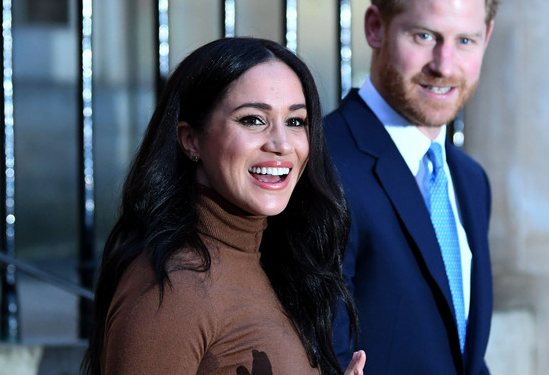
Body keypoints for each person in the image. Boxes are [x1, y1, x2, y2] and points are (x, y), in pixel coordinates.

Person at [82, 37, 366, 375]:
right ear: (190, 140)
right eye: (252, 120)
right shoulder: (173, 290)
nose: (281, 144)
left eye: (295, 121)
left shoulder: (275, 261)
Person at [325, 0, 499, 374]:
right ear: (375, 27)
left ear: (487, 37)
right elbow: (324, 356)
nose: (444, 64)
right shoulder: (323, 163)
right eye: (424, 36)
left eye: (465, 40)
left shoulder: (470, 180)